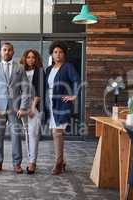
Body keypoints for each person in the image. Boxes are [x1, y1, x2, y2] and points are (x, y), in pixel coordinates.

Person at [0, 42, 29, 174]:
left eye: (10, 50)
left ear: (13, 52)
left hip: (15, 109)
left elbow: (26, 89)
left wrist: (23, 108)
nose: (7, 52)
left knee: (16, 136)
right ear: (0, 52)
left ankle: (17, 164)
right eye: (4, 50)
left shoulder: (20, 68)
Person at [45, 41, 80, 175]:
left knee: (57, 133)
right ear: (52, 54)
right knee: (56, 133)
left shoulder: (68, 67)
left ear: (64, 54)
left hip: (62, 104)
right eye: (55, 52)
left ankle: (58, 163)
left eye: (60, 52)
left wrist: (74, 95)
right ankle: (62, 161)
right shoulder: (49, 69)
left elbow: (77, 80)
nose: (58, 54)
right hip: (51, 104)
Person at [19, 49, 45, 174]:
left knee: (33, 134)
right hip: (22, 106)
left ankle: (32, 162)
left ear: (36, 59)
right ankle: (29, 159)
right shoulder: (20, 71)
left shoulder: (40, 72)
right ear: (24, 58)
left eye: (33, 57)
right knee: (26, 135)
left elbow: (40, 91)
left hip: (35, 106)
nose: (30, 59)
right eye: (28, 57)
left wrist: (32, 108)